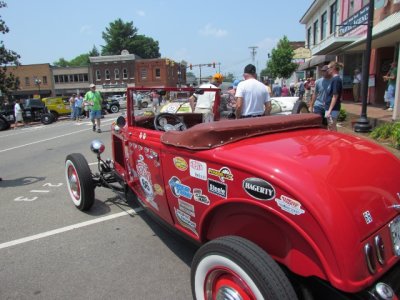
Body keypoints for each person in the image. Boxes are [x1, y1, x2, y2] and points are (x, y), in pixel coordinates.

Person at [325, 61, 344, 131]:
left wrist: (330, 110)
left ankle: (335, 141)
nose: (328, 70)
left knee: (332, 126)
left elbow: (335, 96)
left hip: (333, 109)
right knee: (330, 126)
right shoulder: (333, 79)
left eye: (329, 68)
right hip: (329, 107)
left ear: (333, 69)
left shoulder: (336, 80)